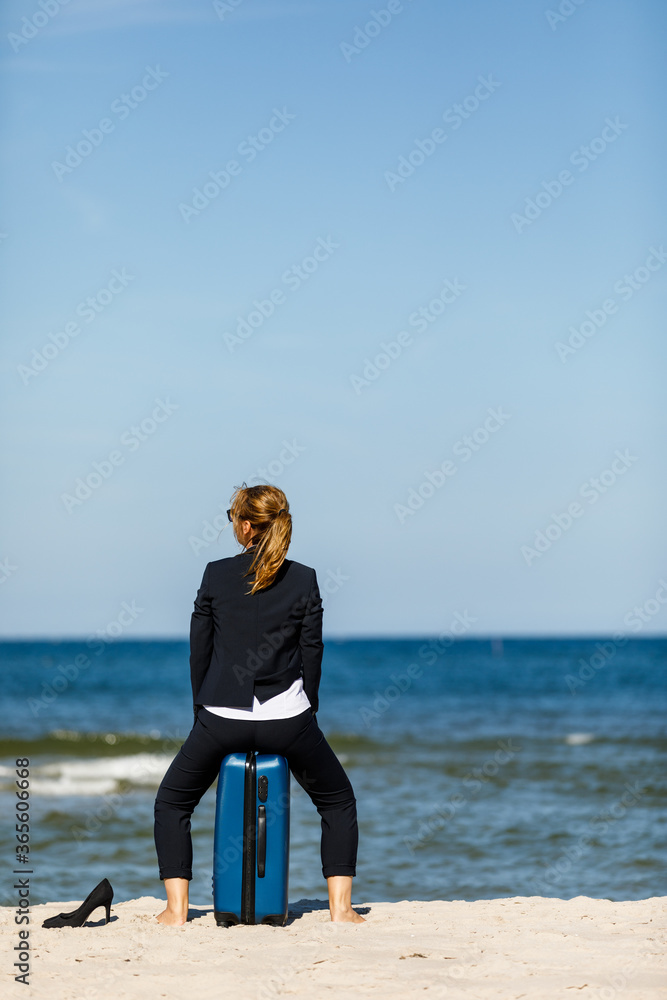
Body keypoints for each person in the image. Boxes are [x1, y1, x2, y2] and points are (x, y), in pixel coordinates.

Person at [153, 483, 365, 926]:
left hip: (220, 718)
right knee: (338, 802)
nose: (232, 524)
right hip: (288, 719)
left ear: (246, 525)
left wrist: (203, 711)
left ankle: (175, 911)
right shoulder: (304, 578)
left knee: (172, 804)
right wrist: (308, 710)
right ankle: (342, 911)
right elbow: (313, 653)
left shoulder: (215, 574)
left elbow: (200, 652)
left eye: (232, 518)